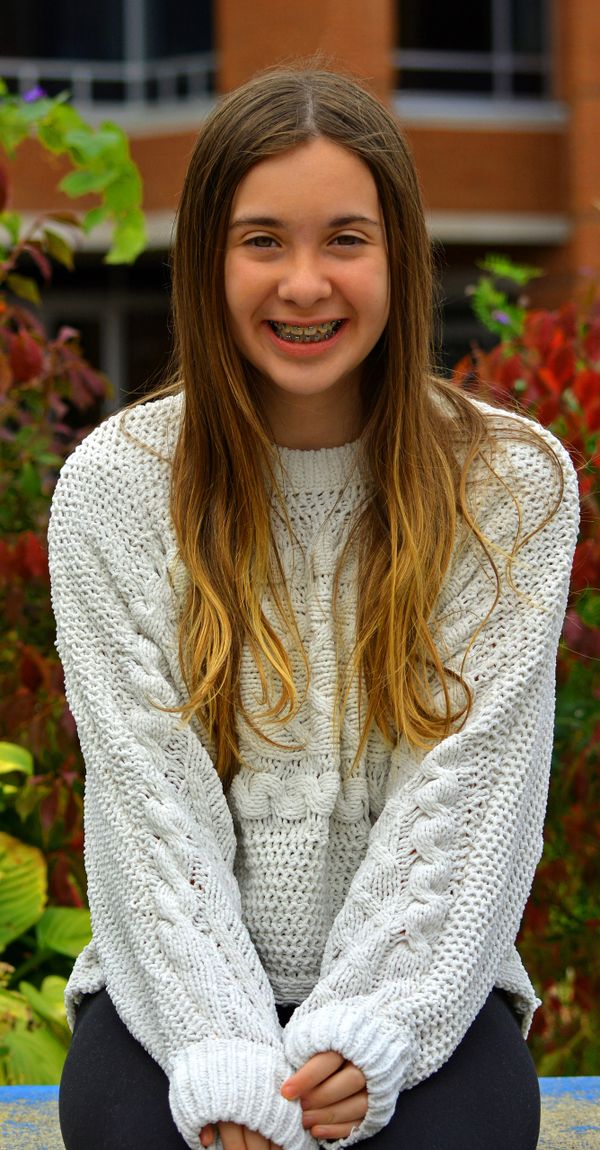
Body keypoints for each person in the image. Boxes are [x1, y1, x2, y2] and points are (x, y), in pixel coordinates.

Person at [50, 65, 579, 1150]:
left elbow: (473, 801)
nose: (304, 283)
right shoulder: (116, 483)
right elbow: (149, 805)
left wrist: (370, 1031)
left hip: (424, 990)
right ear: (206, 258)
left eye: (345, 238)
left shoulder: (513, 486)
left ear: (400, 256)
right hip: (171, 989)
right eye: (261, 241)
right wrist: (224, 1052)